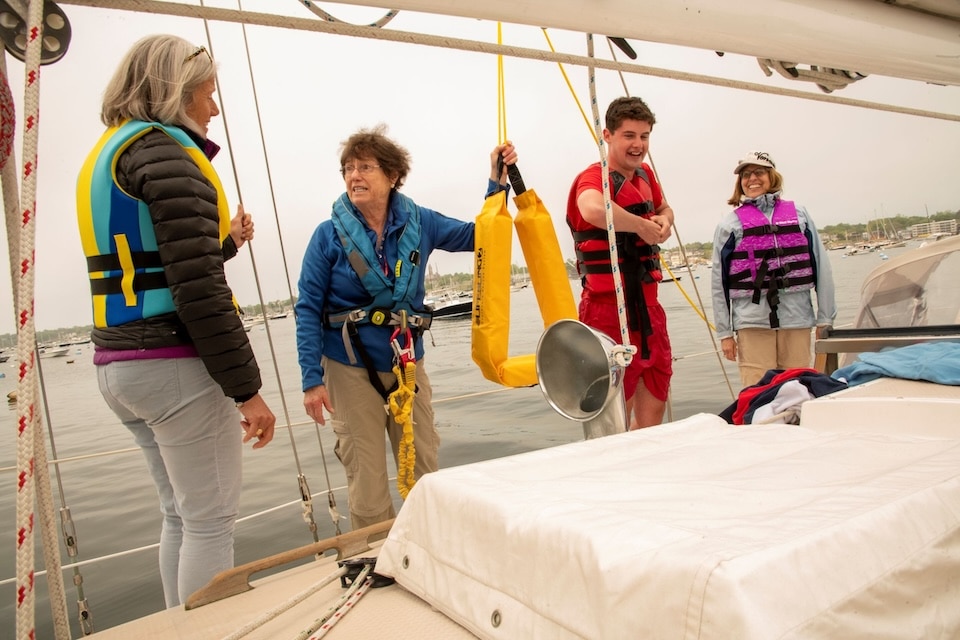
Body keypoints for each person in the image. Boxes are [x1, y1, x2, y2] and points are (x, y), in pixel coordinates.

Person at [75, 35, 276, 608]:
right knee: (211, 522)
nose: (214, 108)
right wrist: (248, 393)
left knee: (180, 514)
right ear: (175, 94)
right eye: (207, 94)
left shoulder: (113, 151)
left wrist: (227, 243)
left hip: (119, 366)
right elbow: (200, 293)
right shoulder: (167, 154)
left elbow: (162, 265)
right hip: (173, 367)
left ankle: (177, 625)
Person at [296, 125, 516, 530]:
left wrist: (496, 184)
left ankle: (429, 544)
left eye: (365, 167)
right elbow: (307, 308)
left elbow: (482, 237)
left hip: (406, 363)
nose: (354, 176)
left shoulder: (422, 222)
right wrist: (312, 379)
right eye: (348, 168)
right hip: (347, 367)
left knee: (424, 462)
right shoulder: (326, 237)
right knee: (366, 475)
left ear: (393, 175)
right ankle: (374, 558)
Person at [566, 96, 675, 430]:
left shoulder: (647, 177)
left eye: (644, 136)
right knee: (613, 413)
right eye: (629, 135)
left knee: (655, 397)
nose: (638, 144)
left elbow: (665, 208)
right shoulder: (592, 177)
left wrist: (666, 221)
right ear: (608, 135)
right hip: (606, 311)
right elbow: (592, 210)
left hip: (649, 309)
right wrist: (642, 225)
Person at [711, 150, 837, 388]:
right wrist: (725, 333)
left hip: (797, 319)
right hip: (752, 323)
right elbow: (719, 283)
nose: (752, 179)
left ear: (771, 176)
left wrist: (825, 318)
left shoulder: (800, 215)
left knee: (798, 388)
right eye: (745, 175)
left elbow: (822, 267)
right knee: (758, 394)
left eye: (758, 172)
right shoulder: (729, 225)